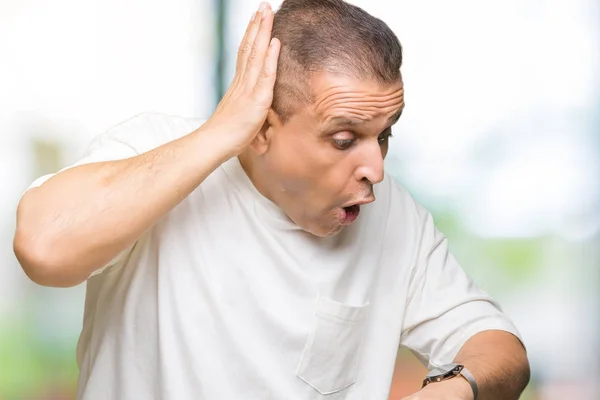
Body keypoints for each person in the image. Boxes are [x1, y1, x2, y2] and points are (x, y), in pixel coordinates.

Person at [13, 1, 530, 399]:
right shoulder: (149, 148)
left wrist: (457, 387)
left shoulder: (395, 215)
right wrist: (223, 132)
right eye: (345, 140)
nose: (375, 167)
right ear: (262, 126)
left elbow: (497, 344)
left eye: (385, 135)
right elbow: (44, 249)